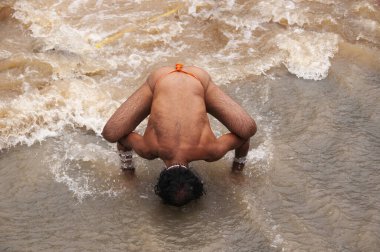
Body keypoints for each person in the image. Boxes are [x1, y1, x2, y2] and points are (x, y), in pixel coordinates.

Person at [102, 64, 257, 206]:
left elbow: (243, 139)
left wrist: (238, 168)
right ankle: (164, 98)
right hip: (168, 79)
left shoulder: (211, 151)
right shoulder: (148, 150)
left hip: (188, 78)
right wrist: (128, 170)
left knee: (248, 129)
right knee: (111, 134)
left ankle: (169, 99)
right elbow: (122, 139)